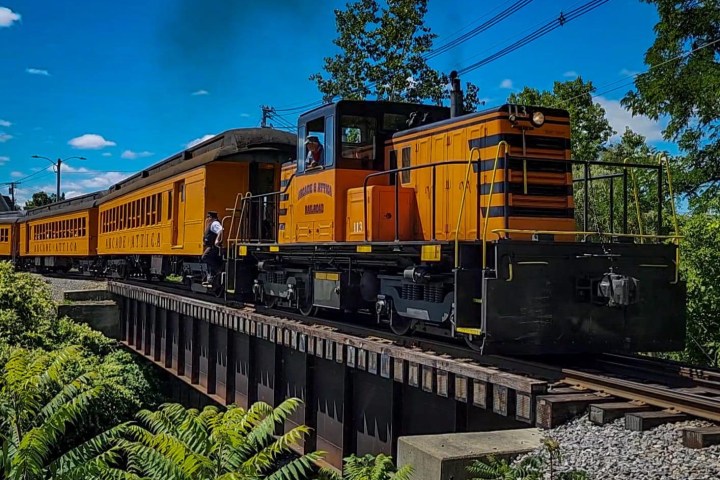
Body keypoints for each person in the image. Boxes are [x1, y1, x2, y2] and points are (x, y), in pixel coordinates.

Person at [201, 211, 223, 287]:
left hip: (214, 247)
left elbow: (221, 230)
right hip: (210, 246)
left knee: (205, 257)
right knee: (208, 259)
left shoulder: (215, 223)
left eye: (209, 217)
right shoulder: (211, 223)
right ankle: (210, 278)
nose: (207, 219)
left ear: (211, 217)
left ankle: (218, 270)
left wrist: (217, 240)